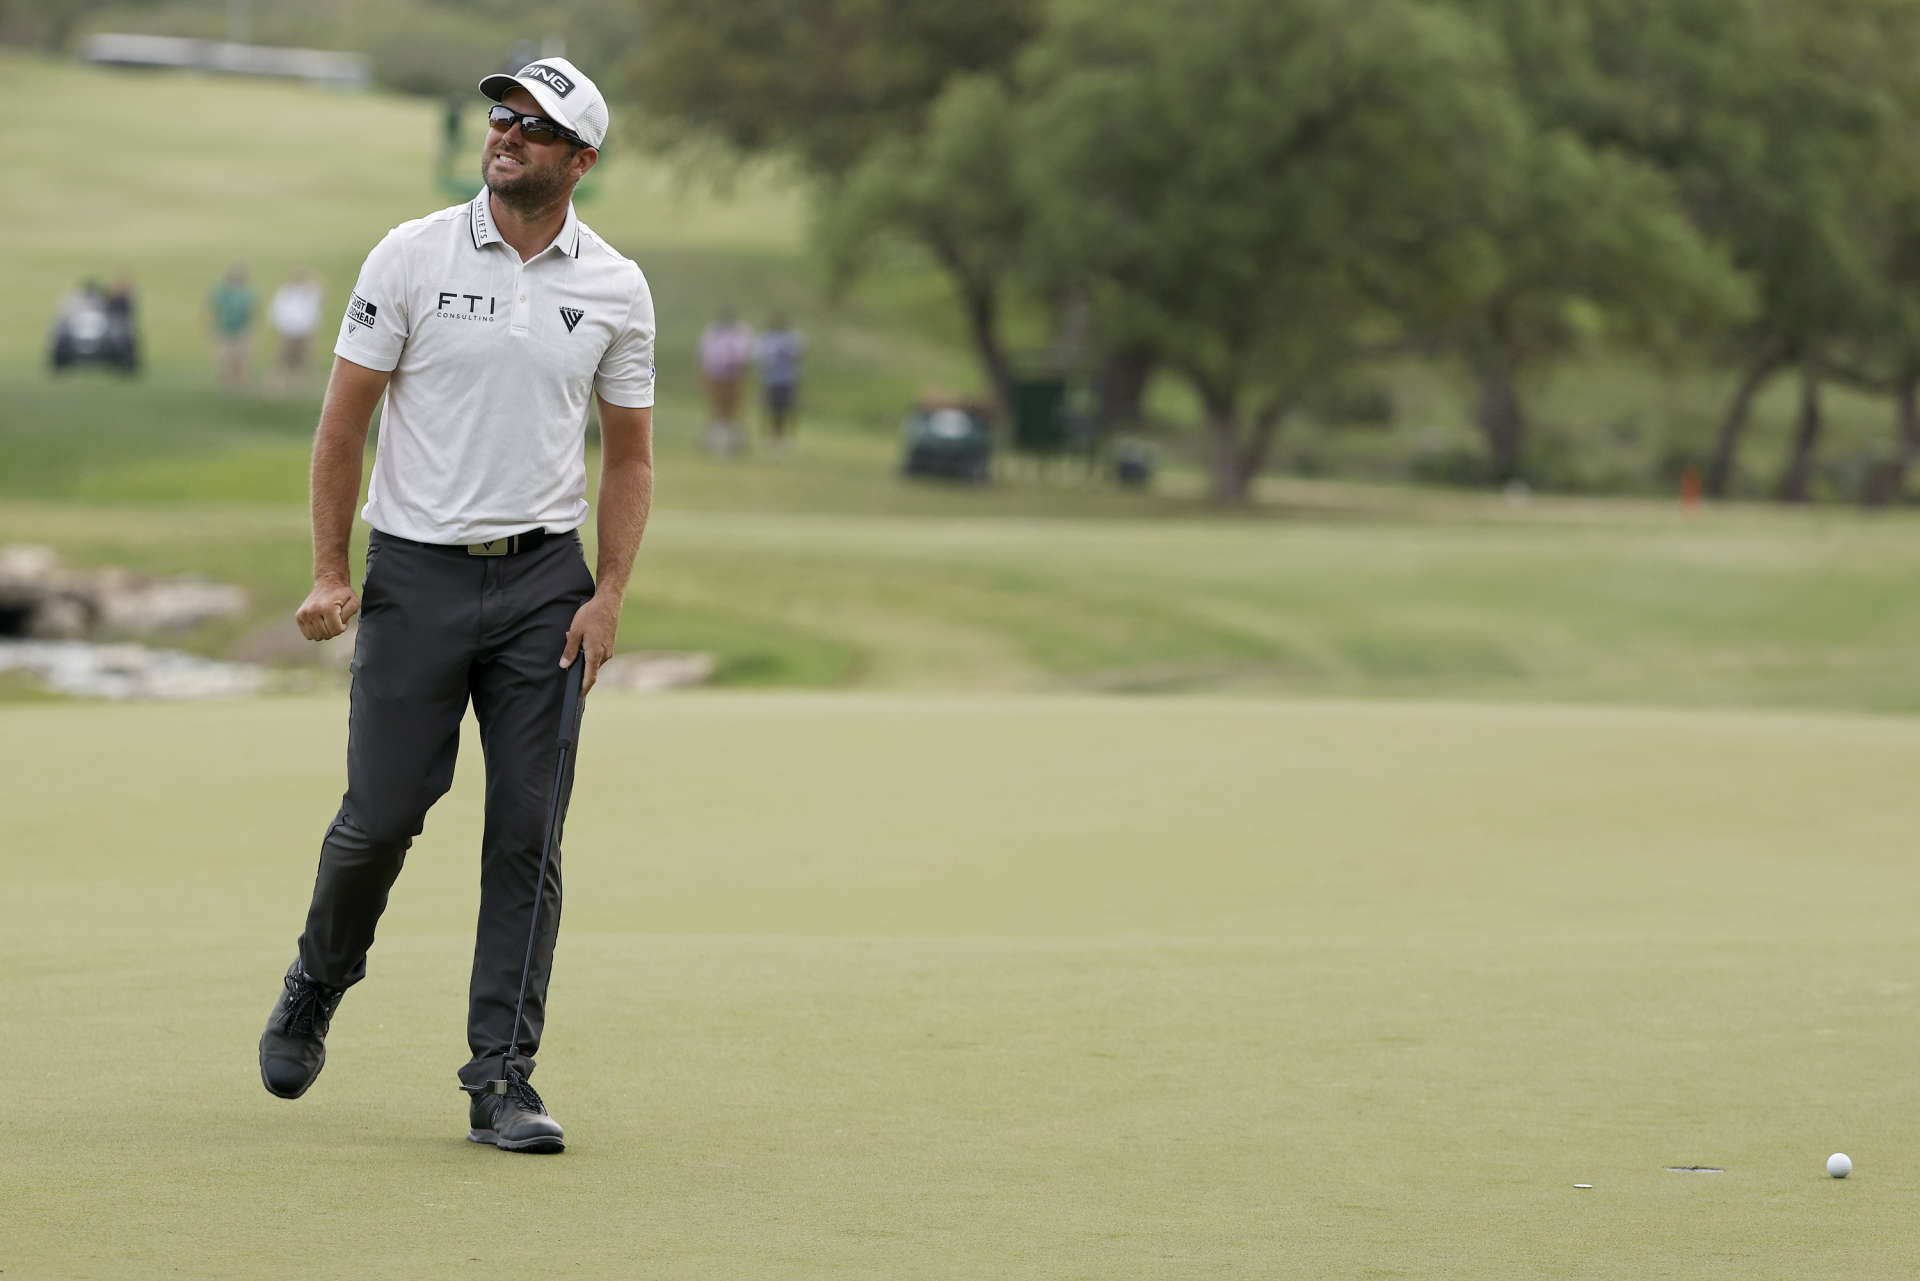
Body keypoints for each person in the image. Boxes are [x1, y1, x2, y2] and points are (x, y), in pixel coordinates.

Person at [261, 56, 655, 1156]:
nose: (507, 134)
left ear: (581, 160)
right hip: (418, 573)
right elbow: (343, 424)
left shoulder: (616, 287)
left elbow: (629, 461)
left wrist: (610, 594)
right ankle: (317, 981)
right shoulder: (412, 253)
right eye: (501, 116)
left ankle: (503, 1079)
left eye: (535, 126)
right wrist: (332, 571)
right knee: (381, 816)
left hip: (545, 585)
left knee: (528, 834)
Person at [698, 309, 754, 454]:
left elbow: (744, 356)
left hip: (733, 375)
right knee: (718, 408)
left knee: (733, 409)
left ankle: (732, 442)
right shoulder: (712, 333)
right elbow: (706, 356)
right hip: (717, 375)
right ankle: (717, 442)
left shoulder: (739, 333)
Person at [755, 312, 806, 454]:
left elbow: (800, 354)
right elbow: (760, 357)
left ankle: (786, 439)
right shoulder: (766, 338)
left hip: (788, 380)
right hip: (771, 380)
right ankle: (769, 438)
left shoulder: (793, 338)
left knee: (788, 410)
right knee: (770, 410)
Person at [267, 268, 324, 395]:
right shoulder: (285, 292)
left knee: (303, 363)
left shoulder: (310, 292)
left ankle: (300, 389)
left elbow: (316, 306)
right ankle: (277, 388)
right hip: (288, 333)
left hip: (304, 333)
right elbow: (277, 311)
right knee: (283, 361)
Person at [208, 262, 255, 389]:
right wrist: (215, 326)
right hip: (225, 329)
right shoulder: (221, 293)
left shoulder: (246, 294)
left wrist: (248, 329)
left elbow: (250, 312)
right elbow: (214, 309)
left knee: (241, 358)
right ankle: (226, 382)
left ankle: (240, 382)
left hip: (240, 329)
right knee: (224, 357)